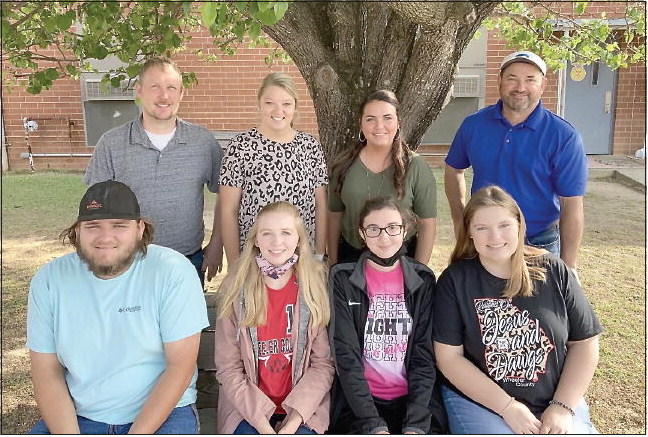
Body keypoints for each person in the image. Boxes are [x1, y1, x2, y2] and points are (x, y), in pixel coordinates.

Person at [27, 180, 209, 434]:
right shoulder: (49, 280)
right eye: (93, 226)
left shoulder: (172, 271)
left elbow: (180, 366)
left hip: (164, 414)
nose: (105, 237)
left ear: (139, 229)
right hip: (81, 416)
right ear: (77, 231)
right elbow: (47, 371)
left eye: (119, 226)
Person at [433, 185, 602, 434]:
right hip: (482, 403)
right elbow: (449, 358)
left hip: (554, 399)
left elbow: (585, 343)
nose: (495, 237)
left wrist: (562, 407)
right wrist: (507, 407)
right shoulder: (454, 281)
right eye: (482, 228)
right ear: (469, 232)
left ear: (519, 225)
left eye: (504, 225)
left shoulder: (554, 271)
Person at [84, 57, 223, 287]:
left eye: (171, 88)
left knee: (186, 325)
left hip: (187, 260)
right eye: (154, 87)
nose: (164, 96)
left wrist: (217, 243)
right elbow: (96, 210)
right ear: (139, 91)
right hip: (127, 263)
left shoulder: (203, 141)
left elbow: (225, 193)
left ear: (181, 93)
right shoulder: (112, 143)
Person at [444, 50, 588, 271]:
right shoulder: (473, 125)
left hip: (539, 243)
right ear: (500, 81)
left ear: (543, 85)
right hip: (486, 240)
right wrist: (460, 219)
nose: (520, 87)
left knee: (538, 305)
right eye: (512, 78)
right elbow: (454, 169)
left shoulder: (563, 136)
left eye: (530, 79)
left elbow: (571, 203)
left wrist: (569, 268)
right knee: (486, 304)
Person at [328, 196, 446, 434]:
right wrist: (372, 424)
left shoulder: (422, 280)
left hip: (412, 401)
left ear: (405, 230)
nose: (384, 237)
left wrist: (415, 424)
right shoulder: (342, 278)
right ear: (362, 234)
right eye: (373, 229)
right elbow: (346, 355)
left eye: (392, 228)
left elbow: (424, 357)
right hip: (360, 403)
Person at [214, 201, 334, 434]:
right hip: (246, 409)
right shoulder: (236, 291)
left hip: (302, 411)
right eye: (267, 233)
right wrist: (262, 426)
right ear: (256, 241)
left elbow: (322, 365)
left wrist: (292, 424)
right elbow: (229, 368)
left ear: (299, 239)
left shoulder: (312, 289)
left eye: (286, 233)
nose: (277, 242)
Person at [219, 72, 328, 267]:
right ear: (259, 104)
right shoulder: (240, 146)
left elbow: (320, 204)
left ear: (295, 107)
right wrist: (236, 265)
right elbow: (229, 210)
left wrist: (319, 255)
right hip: (255, 259)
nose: (279, 110)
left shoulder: (310, 146)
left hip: (301, 258)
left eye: (286, 103)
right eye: (270, 103)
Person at [328, 90, 437, 266]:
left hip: (401, 259)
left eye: (387, 118)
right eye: (370, 119)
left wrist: (419, 272)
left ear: (398, 122)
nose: (379, 126)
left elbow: (427, 224)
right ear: (361, 124)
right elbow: (333, 216)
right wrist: (333, 263)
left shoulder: (416, 166)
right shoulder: (343, 165)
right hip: (351, 258)